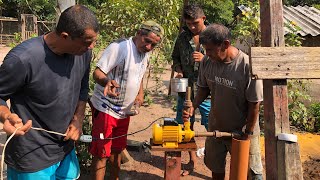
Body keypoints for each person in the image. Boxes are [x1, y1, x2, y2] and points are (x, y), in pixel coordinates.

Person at [0, 5, 98, 180]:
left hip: (65, 148)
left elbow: (83, 88)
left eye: (94, 41)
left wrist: (78, 120)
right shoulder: (23, 59)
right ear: (65, 36)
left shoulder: (83, 53)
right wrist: (6, 116)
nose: (91, 47)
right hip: (31, 156)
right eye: (87, 42)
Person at [183, 23, 263, 180]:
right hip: (216, 126)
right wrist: (194, 105)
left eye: (210, 50)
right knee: (216, 166)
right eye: (205, 50)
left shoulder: (247, 67)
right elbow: (204, 88)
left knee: (248, 172)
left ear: (225, 44)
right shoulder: (207, 61)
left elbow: (254, 105)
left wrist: (247, 133)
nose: (207, 54)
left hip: (243, 129)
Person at [89, 20, 164, 180]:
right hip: (106, 109)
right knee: (101, 153)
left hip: (124, 112)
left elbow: (140, 74)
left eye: (153, 45)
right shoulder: (120, 47)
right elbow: (97, 73)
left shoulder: (145, 52)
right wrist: (106, 82)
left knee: (117, 150)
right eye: (147, 41)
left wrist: (140, 93)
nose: (149, 47)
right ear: (138, 34)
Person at [171, 4, 211, 176]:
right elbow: (175, 57)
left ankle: (214, 162)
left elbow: (225, 59)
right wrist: (178, 69)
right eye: (188, 24)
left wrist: (205, 59)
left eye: (195, 23)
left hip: (208, 90)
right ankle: (192, 160)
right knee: (185, 124)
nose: (192, 27)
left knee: (213, 124)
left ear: (203, 18)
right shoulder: (182, 37)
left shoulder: (213, 36)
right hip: (186, 89)